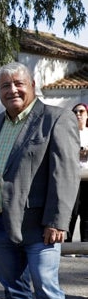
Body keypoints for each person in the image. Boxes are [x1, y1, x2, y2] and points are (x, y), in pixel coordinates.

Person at [0, 63, 79, 299]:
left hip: (40, 227)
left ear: (33, 85)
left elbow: (64, 174)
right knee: (13, 287)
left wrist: (57, 220)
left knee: (47, 289)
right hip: (2, 224)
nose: (12, 90)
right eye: (5, 86)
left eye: (18, 83)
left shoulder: (56, 118)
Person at [67, 103, 88, 242]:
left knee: (86, 214)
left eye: (81, 111)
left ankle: (85, 246)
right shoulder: (68, 133)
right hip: (73, 178)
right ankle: (66, 246)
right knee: (71, 212)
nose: (78, 114)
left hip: (87, 178)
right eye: (75, 112)